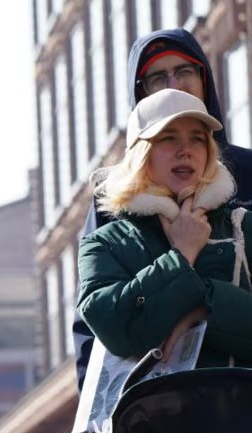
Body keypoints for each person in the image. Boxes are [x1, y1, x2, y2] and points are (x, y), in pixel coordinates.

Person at [72, 28, 252, 393]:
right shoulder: (109, 218)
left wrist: (202, 306)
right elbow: (100, 325)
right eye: (157, 76)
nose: (175, 83)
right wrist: (102, 427)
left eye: (185, 71)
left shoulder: (244, 209)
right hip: (151, 431)